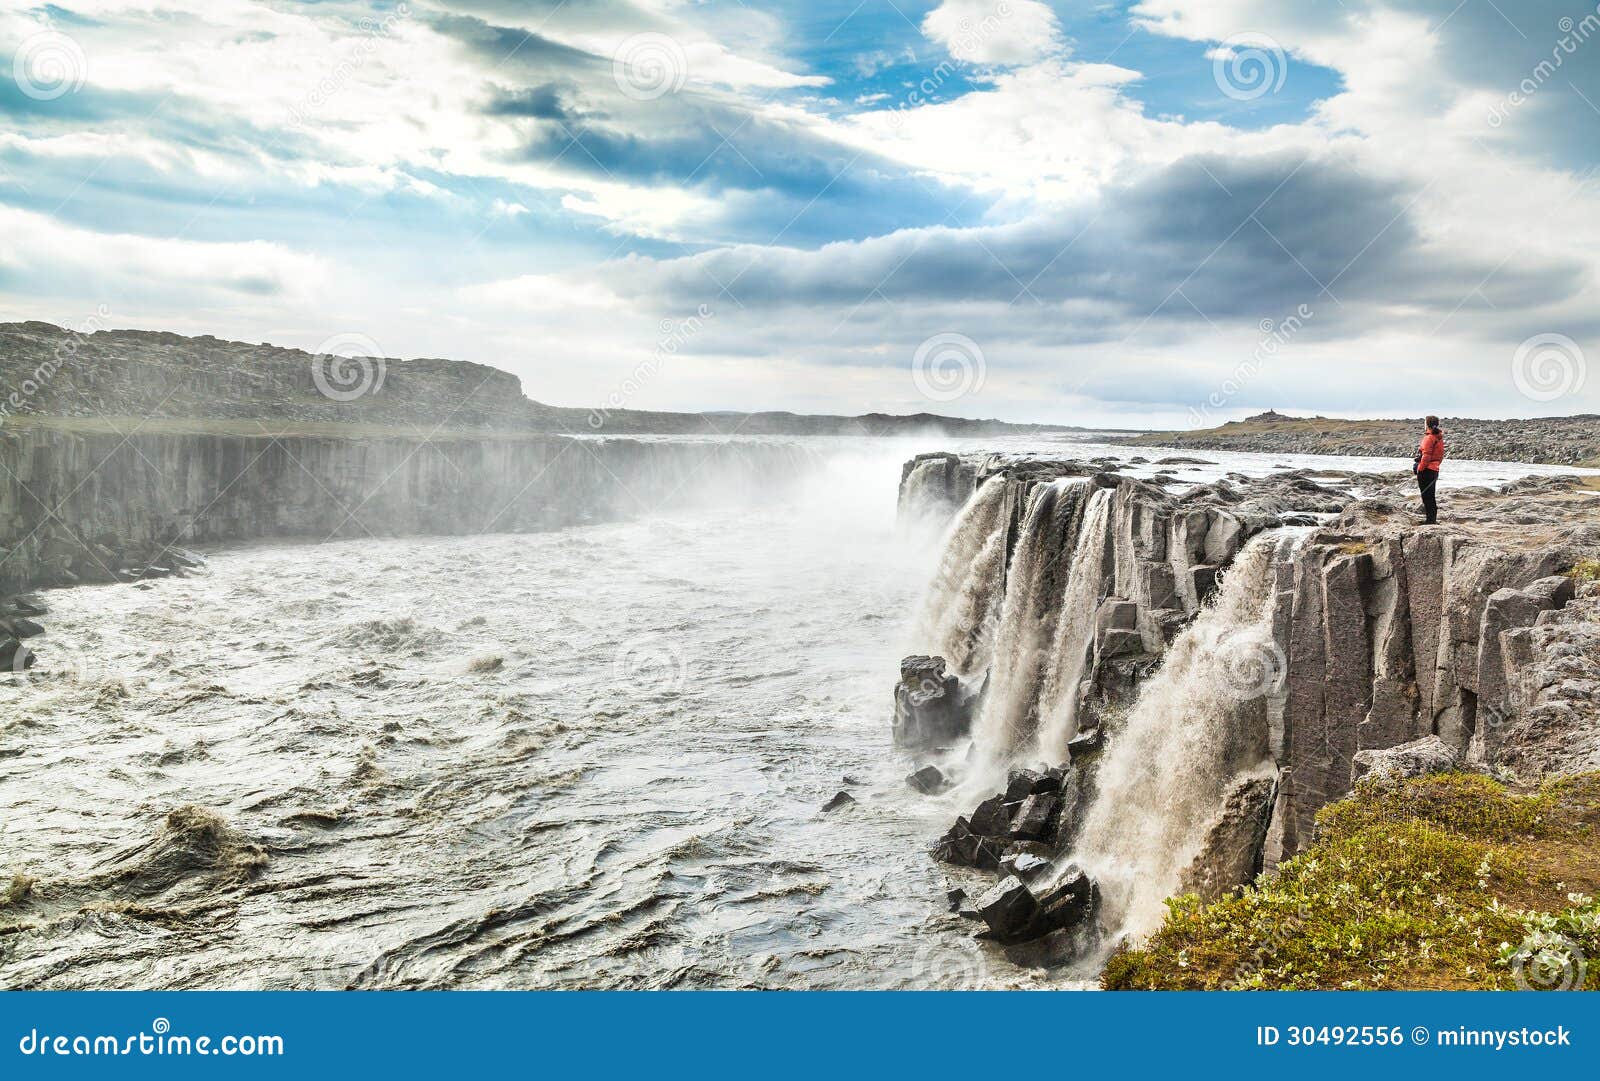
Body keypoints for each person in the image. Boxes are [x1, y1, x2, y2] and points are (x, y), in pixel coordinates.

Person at [1414, 415, 1445, 524]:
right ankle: (1431, 519)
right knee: (1430, 496)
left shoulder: (1429, 438)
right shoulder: (1438, 437)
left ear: (1427, 425)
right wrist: (1436, 464)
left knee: (1426, 496)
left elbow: (1426, 456)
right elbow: (1441, 455)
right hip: (1434, 469)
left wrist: (1420, 469)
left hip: (1427, 470)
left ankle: (1430, 521)